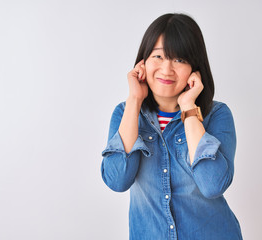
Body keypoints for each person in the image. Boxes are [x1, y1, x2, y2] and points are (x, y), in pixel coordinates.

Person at [101, 13, 242, 240]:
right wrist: (135, 101)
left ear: (195, 69)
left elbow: (213, 185)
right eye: (158, 56)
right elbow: (117, 181)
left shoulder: (217, 115)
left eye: (179, 60)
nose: (166, 69)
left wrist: (188, 108)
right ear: (143, 62)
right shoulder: (125, 113)